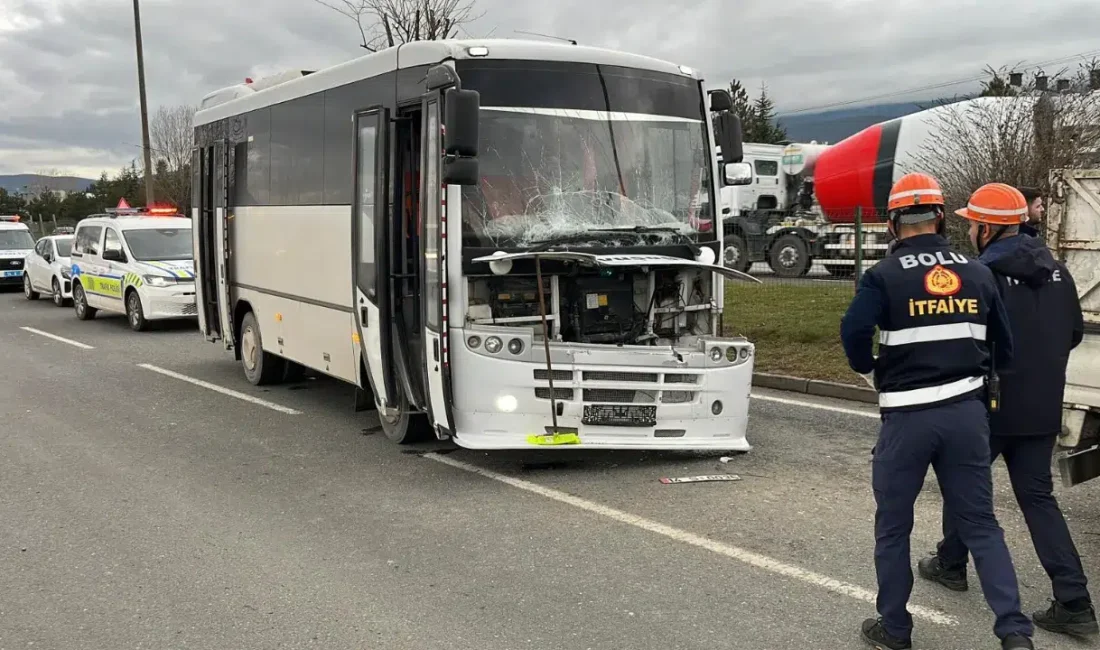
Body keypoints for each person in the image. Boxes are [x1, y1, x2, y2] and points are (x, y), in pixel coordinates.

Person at [840, 172, 1034, 650]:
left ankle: (896, 629)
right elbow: (1004, 349)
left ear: (892, 223)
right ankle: (1014, 633)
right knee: (980, 524)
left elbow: (853, 335)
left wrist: (872, 371)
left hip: (907, 417)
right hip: (965, 414)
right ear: (941, 217)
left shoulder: (882, 276)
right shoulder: (977, 271)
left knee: (894, 526)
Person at [917, 182, 1096, 636]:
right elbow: (1074, 333)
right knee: (1038, 499)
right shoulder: (1057, 269)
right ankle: (1074, 602)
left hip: (990, 403)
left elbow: (963, 340)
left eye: (974, 222)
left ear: (989, 228)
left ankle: (952, 564)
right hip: (1041, 404)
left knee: (964, 484)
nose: (971, 229)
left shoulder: (980, 274)